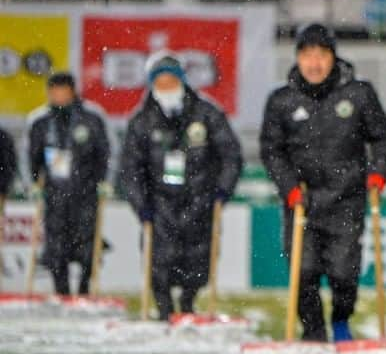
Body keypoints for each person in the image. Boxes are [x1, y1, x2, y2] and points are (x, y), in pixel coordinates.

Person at [259, 24, 386, 342]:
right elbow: (272, 151)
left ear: (334, 58)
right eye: (307, 55)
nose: (315, 63)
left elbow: (384, 138)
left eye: (322, 55)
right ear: (298, 59)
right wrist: (289, 187)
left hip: (346, 199)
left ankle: (340, 320)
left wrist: (378, 173)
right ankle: (313, 330)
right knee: (303, 271)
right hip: (301, 200)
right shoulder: (282, 101)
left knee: (343, 272)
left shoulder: (359, 94)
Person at [119, 52, 243, 320]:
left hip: (200, 201)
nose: (166, 89)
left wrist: (222, 190)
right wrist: (142, 205)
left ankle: (188, 305)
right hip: (159, 205)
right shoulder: (141, 122)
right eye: (160, 83)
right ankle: (164, 309)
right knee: (158, 262)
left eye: (171, 82)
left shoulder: (207, 114)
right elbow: (130, 169)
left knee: (197, 260)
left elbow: (230, 155)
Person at [26, 73, 110, 295]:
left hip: (85, 192)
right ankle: (61, 291)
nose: (58, 96)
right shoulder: (41, 123)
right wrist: (35, 183)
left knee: (87, 244)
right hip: (55, 193)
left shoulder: (91, 119)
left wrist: (104, 180)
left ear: (72, 92)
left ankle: (83, 289)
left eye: (62, 92)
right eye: (53, 92)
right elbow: (33, 156)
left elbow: (104, 153)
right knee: (56, 246)